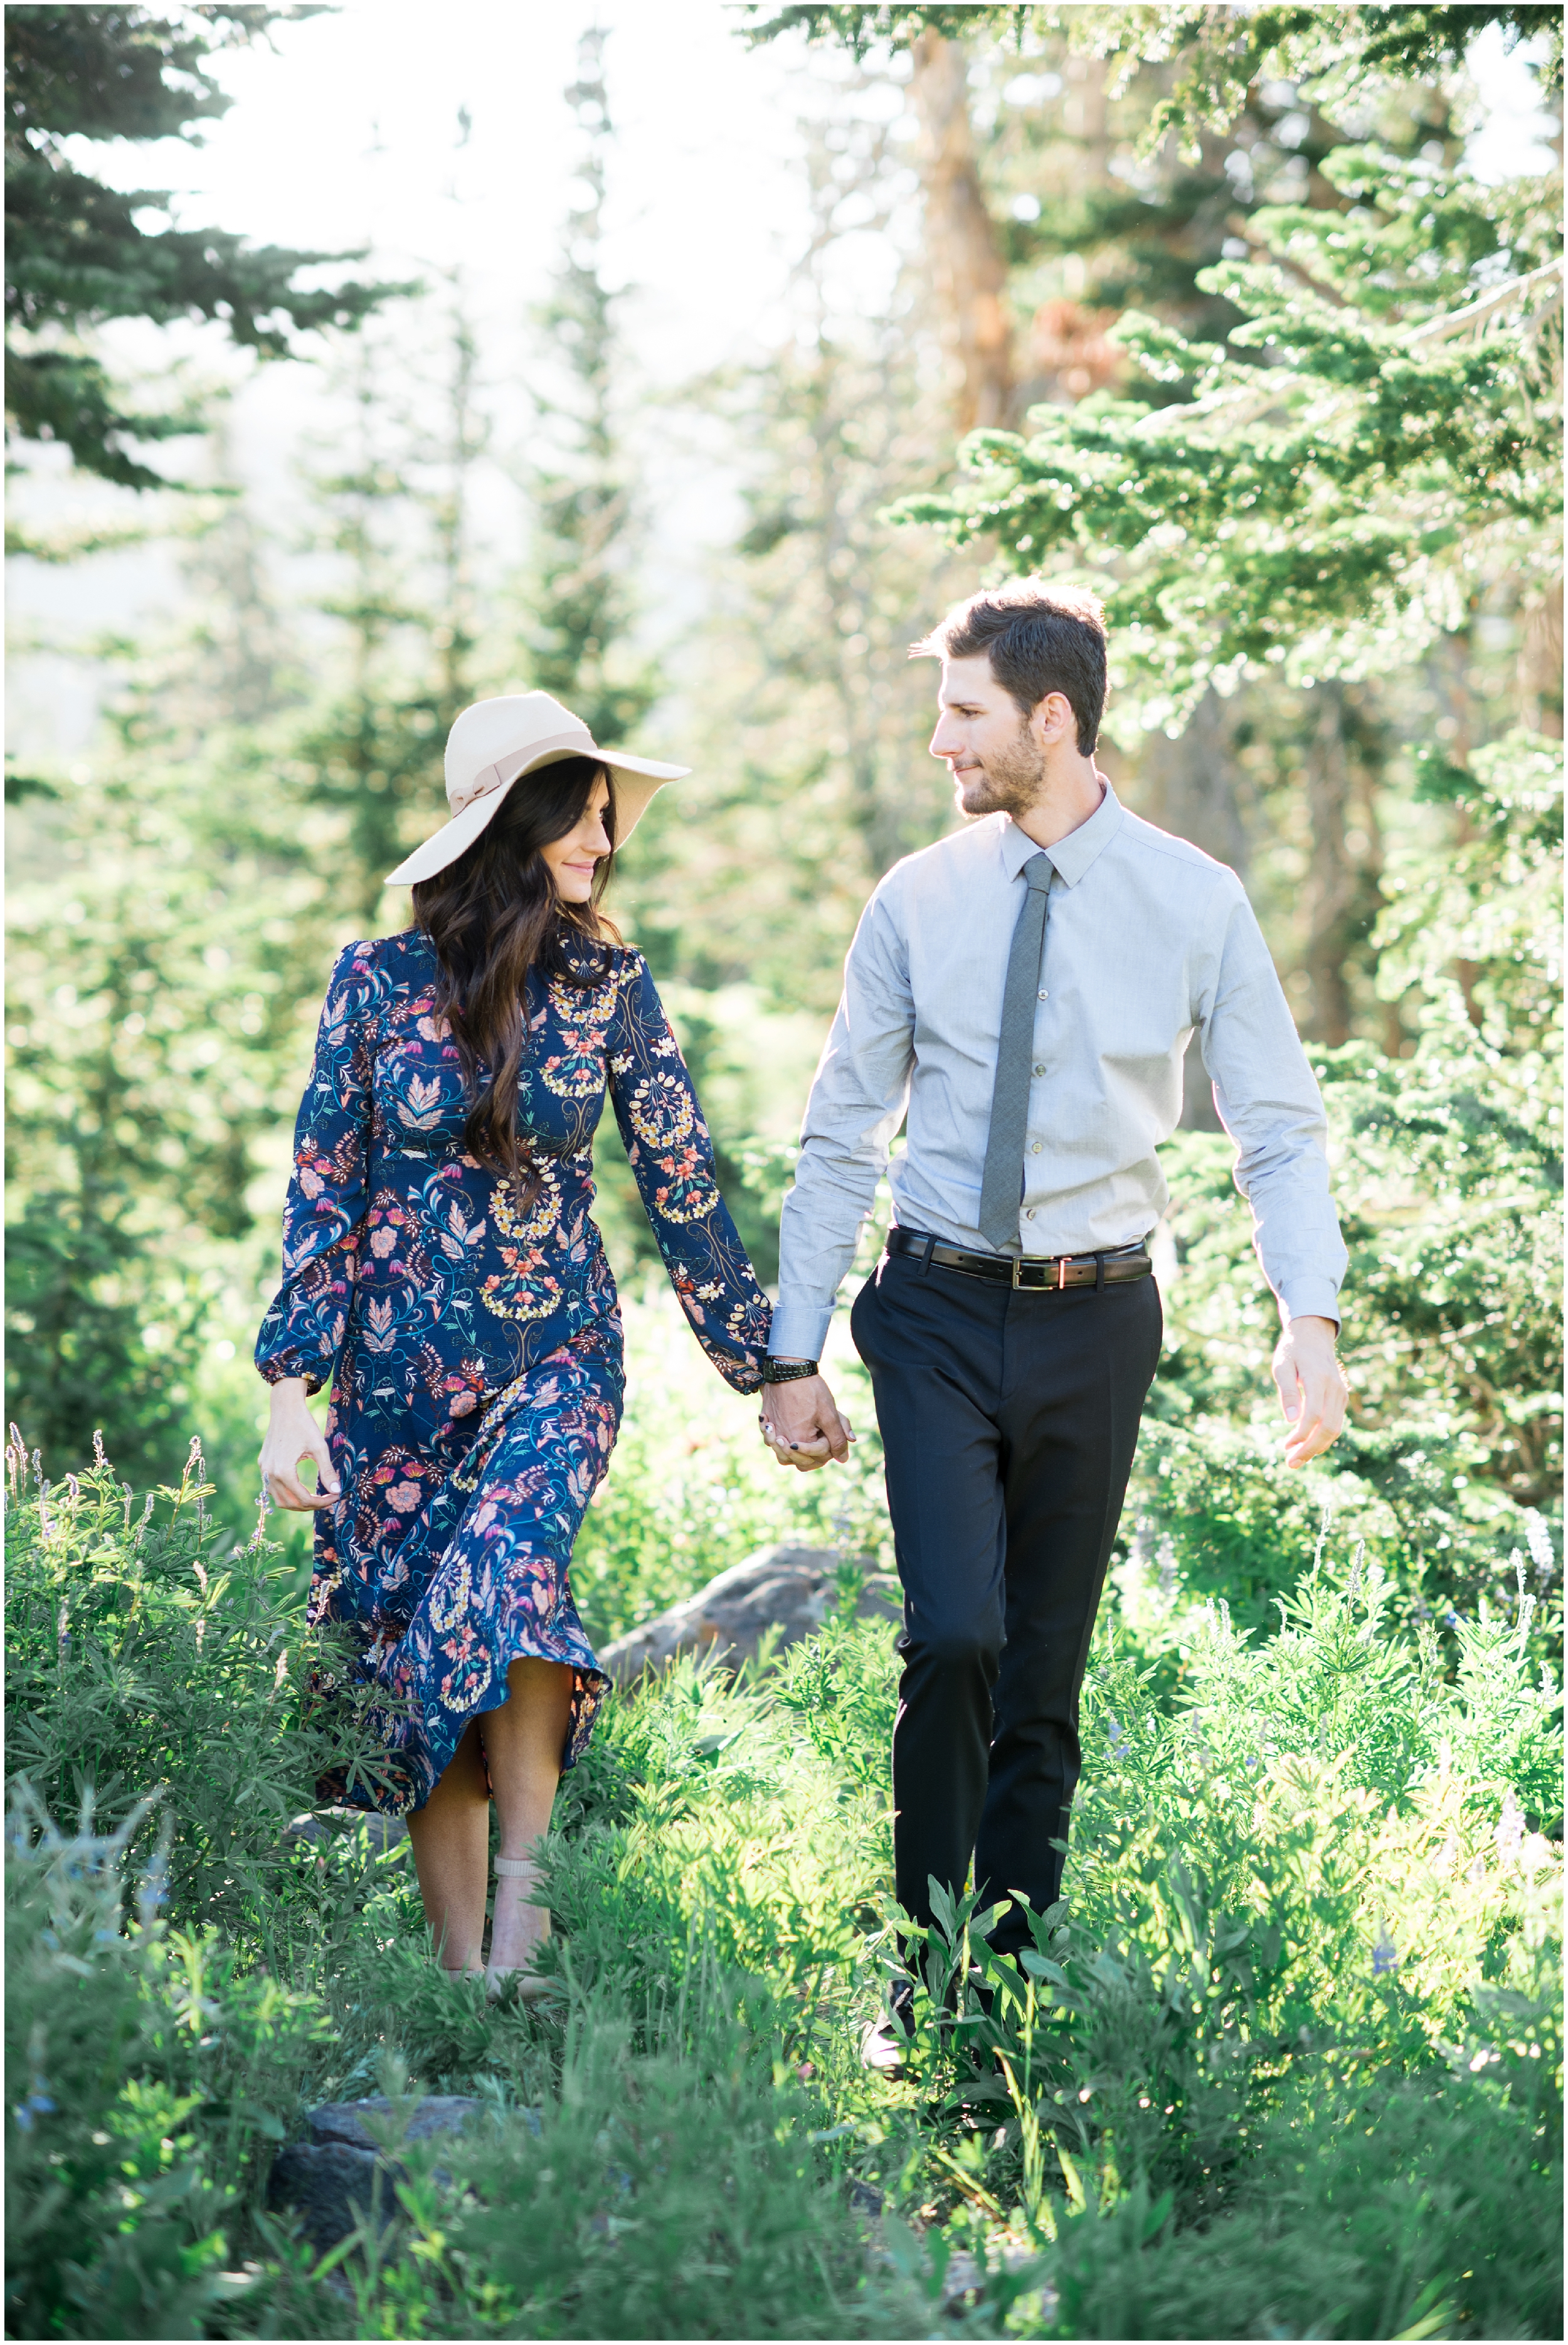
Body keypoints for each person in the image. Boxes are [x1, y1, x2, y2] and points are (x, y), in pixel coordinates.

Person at [757, 581, 1348, 2063]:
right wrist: (791, 1347)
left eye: (961, 713)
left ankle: (999, 2005)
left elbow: (1272, 1124)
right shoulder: (915, 901)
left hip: (1098, 1320)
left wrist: (1308, 1314)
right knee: (951, 1636)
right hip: (936, 1309)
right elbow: (838, 1134)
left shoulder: (1193, 901)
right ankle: (920, 1971)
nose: (936, 741)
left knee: (1041, 1672)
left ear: (1049, 718)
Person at [257, 691, 776, 1995]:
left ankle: (522, 1931)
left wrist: (767, 1362)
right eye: (579, 818)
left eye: (607, 820)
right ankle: (459, 1982)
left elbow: (681, 1182)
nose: (602, 842)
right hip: (387, 1385)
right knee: (422, 1632)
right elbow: (326, 1181)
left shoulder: (610, 987)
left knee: (510, 1590)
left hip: (556, 1361)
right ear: (509, 826)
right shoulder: (373, 982)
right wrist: (289, 1390)